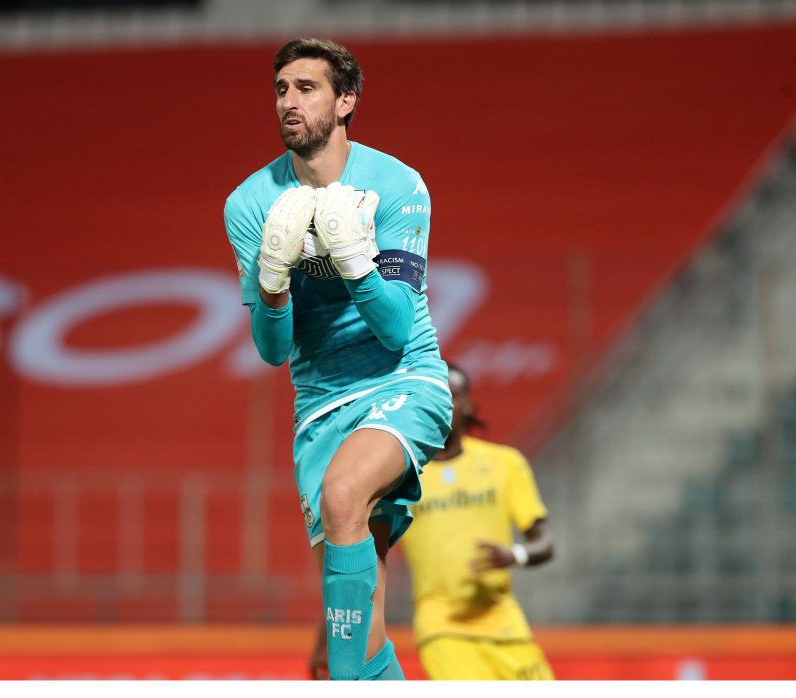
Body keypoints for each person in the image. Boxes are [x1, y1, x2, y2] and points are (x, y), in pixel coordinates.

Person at [224, 37, 453, 681]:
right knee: (361, 629)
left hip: (402, 377)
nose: (288, 102)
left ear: (346, 101)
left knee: (344, 492)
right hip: (320, 404)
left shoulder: (398, 186)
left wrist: (355, 261)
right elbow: (272, 351)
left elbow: (395, 326)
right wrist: (274, 282)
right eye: (281, 90)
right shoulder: (249, 204)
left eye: (307, 88)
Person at [398, 362, 555, 680]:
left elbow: (545, 542)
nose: (442, 404)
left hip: (505, 622)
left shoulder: (505, 463)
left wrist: (515, 554)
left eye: (451, 395)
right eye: (434, 394)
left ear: (468, 405)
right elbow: (364, 550)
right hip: (441, 626)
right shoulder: (402, 476)